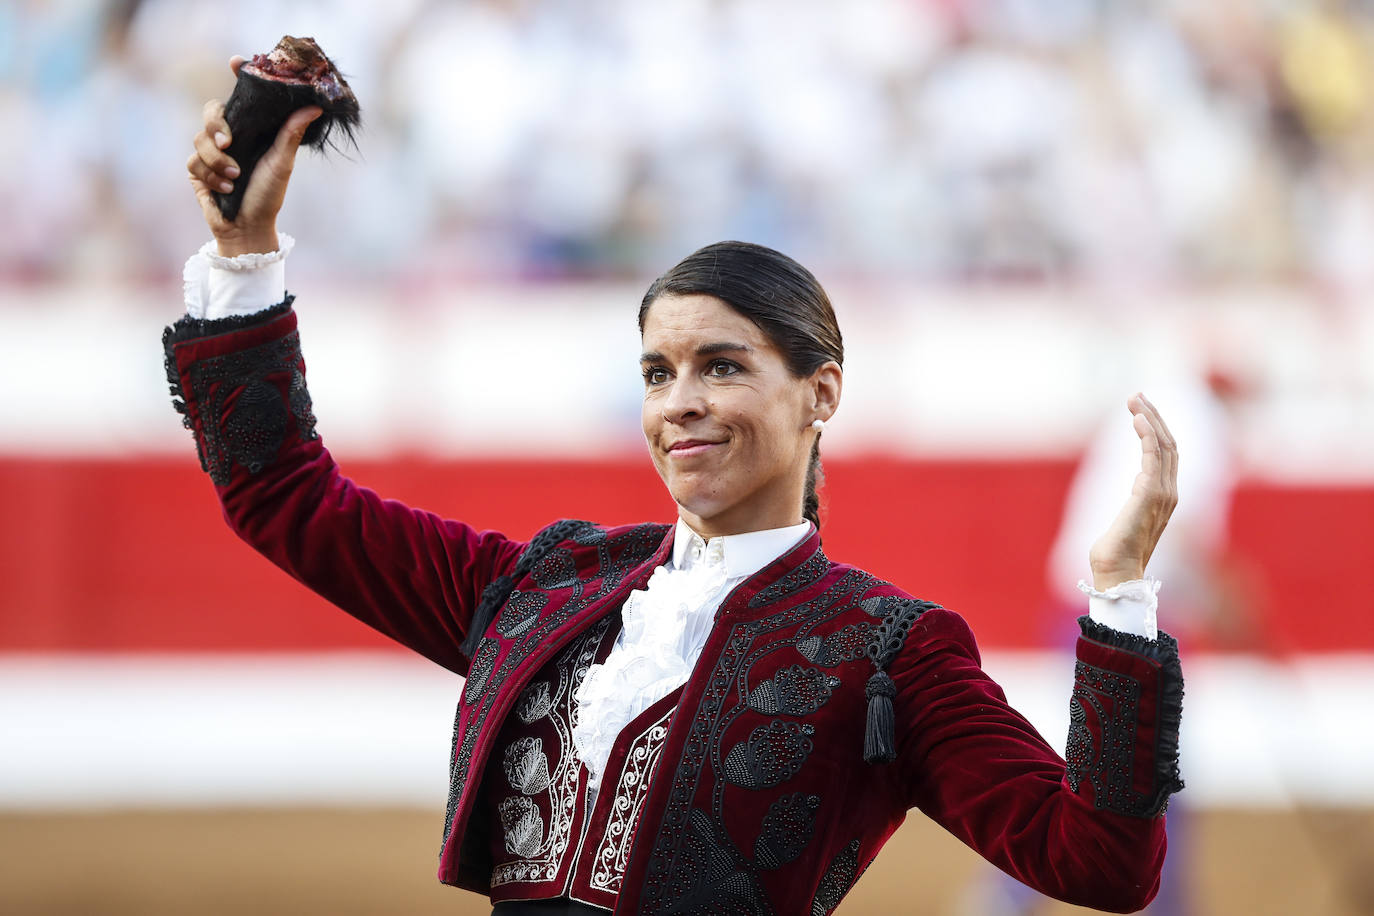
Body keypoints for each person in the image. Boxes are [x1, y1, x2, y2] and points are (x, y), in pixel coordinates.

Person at [171, 59, 1184, 915]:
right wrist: (244, 250)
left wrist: (1120, 591)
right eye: (659, 373)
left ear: (819, 391)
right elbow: (281, 493)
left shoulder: (890, 651)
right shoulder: (548, 586)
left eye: (724, 366)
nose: (682, 403)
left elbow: (1098, 861)